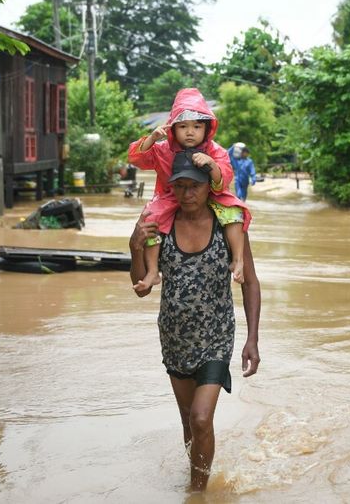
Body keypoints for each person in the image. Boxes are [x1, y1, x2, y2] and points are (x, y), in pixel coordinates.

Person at [130, 151, 261, 492]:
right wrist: (134, 247)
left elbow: (250, 281)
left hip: (216, 336)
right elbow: (142, 288)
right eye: (180, 186)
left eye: (195, 187)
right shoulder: (161, 225)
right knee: (190, 422)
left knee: (202, 417)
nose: (187, 194)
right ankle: (196, 477)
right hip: (174, 337)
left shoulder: (227, 226)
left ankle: (197, 494)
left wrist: (252, 340)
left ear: (209, 188)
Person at [128, 88, 251, 291]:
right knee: (151, 217)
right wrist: (151, 139)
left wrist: (211, 164)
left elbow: (225, 177)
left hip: (210, 195)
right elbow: (137, 159)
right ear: (173, 129)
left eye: (197, 126)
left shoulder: (215, 151)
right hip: (169, 196)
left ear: (207, 128)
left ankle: (238, 260)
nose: (190, 131)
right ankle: (152, 271)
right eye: (183, 126)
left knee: (234, 211)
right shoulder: (162, 149)